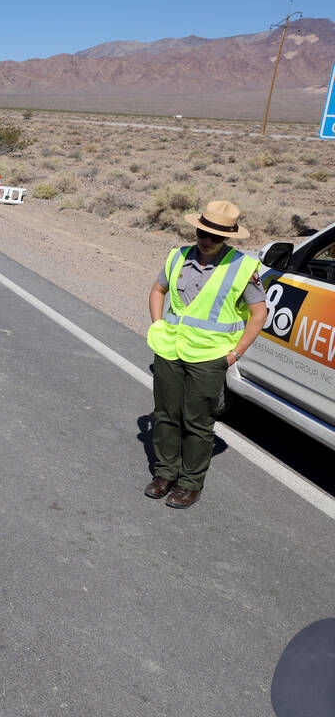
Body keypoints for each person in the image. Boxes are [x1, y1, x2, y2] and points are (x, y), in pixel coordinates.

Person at [145, 200, 268, 509]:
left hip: (210, 356)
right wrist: (158, 325)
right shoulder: (178, 256)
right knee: (166, 415)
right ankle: (165, 473)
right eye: (203, 233)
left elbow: (258, 314)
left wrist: (236, 354)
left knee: (197, 422)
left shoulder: (242, 268)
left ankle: (190, 483)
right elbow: (157, 290)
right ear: (196, 229)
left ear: (228, 238)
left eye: (216, 237)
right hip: (170, 348)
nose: (207, 241)